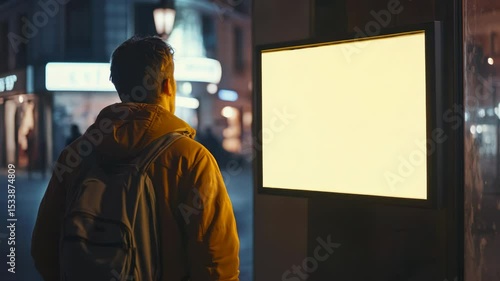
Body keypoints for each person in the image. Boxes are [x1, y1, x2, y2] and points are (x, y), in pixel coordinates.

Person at [31, 36, 240, 281]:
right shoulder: (192, 159)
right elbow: (215, 263)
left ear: (120, 88)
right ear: (167, 86)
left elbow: (44, 248)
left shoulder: (75, 155)